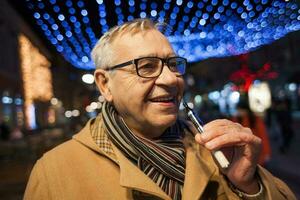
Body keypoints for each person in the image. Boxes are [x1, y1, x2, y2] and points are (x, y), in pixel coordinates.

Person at [24, 18, 296, 200]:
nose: (170, 79)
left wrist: (249, 185)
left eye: (173, 64)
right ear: (105, 84)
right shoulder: (53, 172)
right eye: (146, 66)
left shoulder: (216, 149)